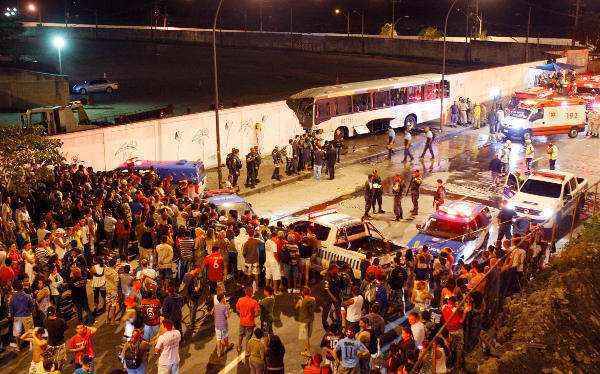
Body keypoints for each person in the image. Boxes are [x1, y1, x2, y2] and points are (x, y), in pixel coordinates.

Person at [236, 286, 260, 354]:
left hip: (242, 321)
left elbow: (237, 310)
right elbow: (257, 313)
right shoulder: (254, 302)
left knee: (240, 335)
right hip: (250, 323)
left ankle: (239, 346)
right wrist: (252, 316)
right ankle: (247, 351)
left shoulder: (240, 300)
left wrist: (241, 315)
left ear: (245, 292)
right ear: (251, 293)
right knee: (248, 338)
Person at [44, 306, 67, 371]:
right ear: (55, 312)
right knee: (61, 361)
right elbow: (65, 328)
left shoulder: (45, 321)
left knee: (52, 361)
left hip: (51, 344)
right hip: (60, 343)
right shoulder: (60, 321)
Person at [296, 286, 317, 357]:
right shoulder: (313, 299)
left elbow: (296, 307)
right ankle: (306, 349)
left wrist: (299, 301)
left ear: (302, 293)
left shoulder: (302, 301)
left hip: (304, 321)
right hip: (310, 320)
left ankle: (308, 352)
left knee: (305, 338)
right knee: (307, 336)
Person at [214, 293, 233, 357]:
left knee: (218, 339)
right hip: (223, 325)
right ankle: (227, 346)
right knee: (225, 336)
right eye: (224, 298)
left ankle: (219, 353)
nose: (225, 299)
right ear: (222, 299)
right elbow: (228, 316)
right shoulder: (224, 307)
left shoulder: (215, 306)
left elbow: (214, 314)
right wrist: (227, 308)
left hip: (217, 325)